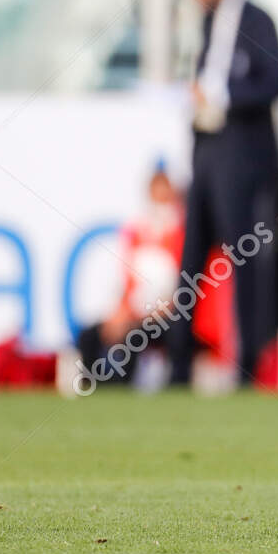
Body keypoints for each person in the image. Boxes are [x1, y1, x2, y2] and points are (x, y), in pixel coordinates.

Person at [171, 0, 278, 387]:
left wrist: (223, 96)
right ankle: (179, 364)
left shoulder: (257, 21)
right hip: (207, 153)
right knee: (192, 259)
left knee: (245, 258)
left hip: (245, 156)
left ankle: (249, 364)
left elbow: (273, 85)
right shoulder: (205, 23)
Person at [73, 164, 186, 387]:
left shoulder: (181, 235)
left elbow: (182, 290)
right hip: (134, 312)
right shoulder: (136, 233)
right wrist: (120, 314)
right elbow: (128, 284)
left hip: (163, 316)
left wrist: (145, 317)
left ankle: (118, 390)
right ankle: (90, 388)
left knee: (132, 336)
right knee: (89, 335)